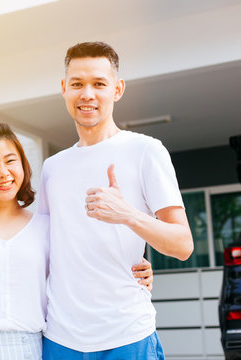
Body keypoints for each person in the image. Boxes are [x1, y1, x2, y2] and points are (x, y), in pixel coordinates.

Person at [0, 121, 154, 360]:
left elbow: (81, 272)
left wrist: (132, 268)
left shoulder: (46, 228)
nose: (3, 173)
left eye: (10, 161)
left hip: (28, 349)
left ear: (23, 165)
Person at [38, 42, 194, 359]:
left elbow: (182, 244)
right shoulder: (52, 168)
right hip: (60, 338)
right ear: (64, 89)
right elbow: (43, 247)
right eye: (77, 84)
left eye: (99, 84)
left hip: (127, 335)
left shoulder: (146, 151)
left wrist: (127, 215)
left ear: (117, 89)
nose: (87, 94)